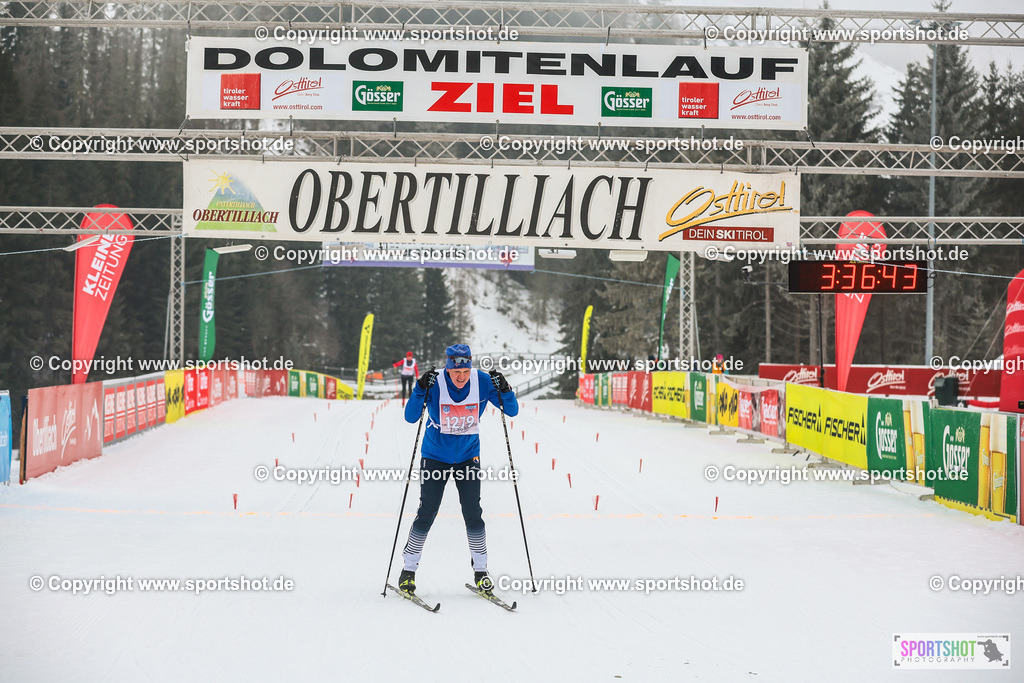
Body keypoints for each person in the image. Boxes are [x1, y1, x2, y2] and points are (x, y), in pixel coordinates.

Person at [398, 344, 517, 597]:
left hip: (467, 457)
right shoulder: (435, 382)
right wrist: (419, 388)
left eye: (465, 371)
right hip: (435, 456)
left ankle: (481, 572)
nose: (461, 377)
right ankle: (408, 571)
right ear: (447, 368)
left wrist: (505, 389)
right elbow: (410, 417)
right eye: (455, 372)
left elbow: (512, 410)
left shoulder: (483, 382)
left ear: (470, 366)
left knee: (473, 512)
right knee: (427, 511)